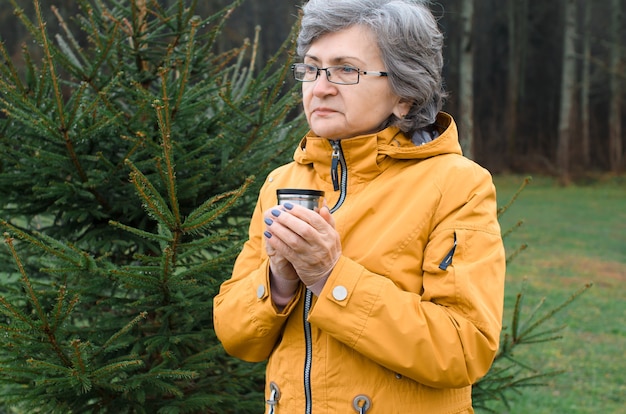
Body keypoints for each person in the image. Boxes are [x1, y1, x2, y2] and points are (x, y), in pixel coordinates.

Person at [213, 0, 506, 412]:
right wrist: (279, 281)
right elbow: (236, 336)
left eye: (346, 70)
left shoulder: (458, 185)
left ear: (404, 94)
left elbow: (463, 348)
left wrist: (330, 277)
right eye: (312, 68)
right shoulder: (282, 183)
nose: (320, 87)